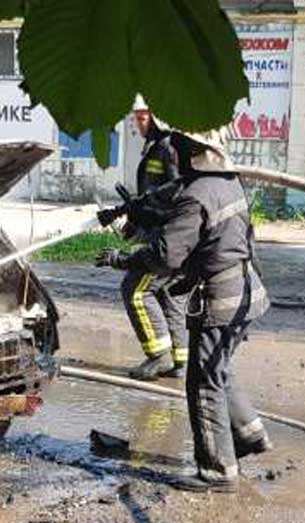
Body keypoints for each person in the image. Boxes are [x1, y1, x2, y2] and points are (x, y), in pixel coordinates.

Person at [97, 128, 272, 493]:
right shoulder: (226, 183)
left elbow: (166, 255)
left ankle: (217, 471)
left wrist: (121, 259)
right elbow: (204, 226)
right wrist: (135, 209)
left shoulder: (196, 196)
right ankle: (249, 436)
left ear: (190, 153)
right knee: (219, 370)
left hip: (221, 299)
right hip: (246, 291)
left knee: (202, 382)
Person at [115, 97, 191, 380]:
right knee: (169, 294)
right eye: (136, 117)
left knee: (135, 289)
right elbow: (152, 195)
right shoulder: (157, 146)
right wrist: (135, 220)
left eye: (143, 117)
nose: (138, 123)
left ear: (158, 117)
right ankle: (180, 360)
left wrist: (146, 207)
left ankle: (158, 356)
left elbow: (177, 192)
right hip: (167, 236)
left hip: (170, 239)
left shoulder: (169, 147)